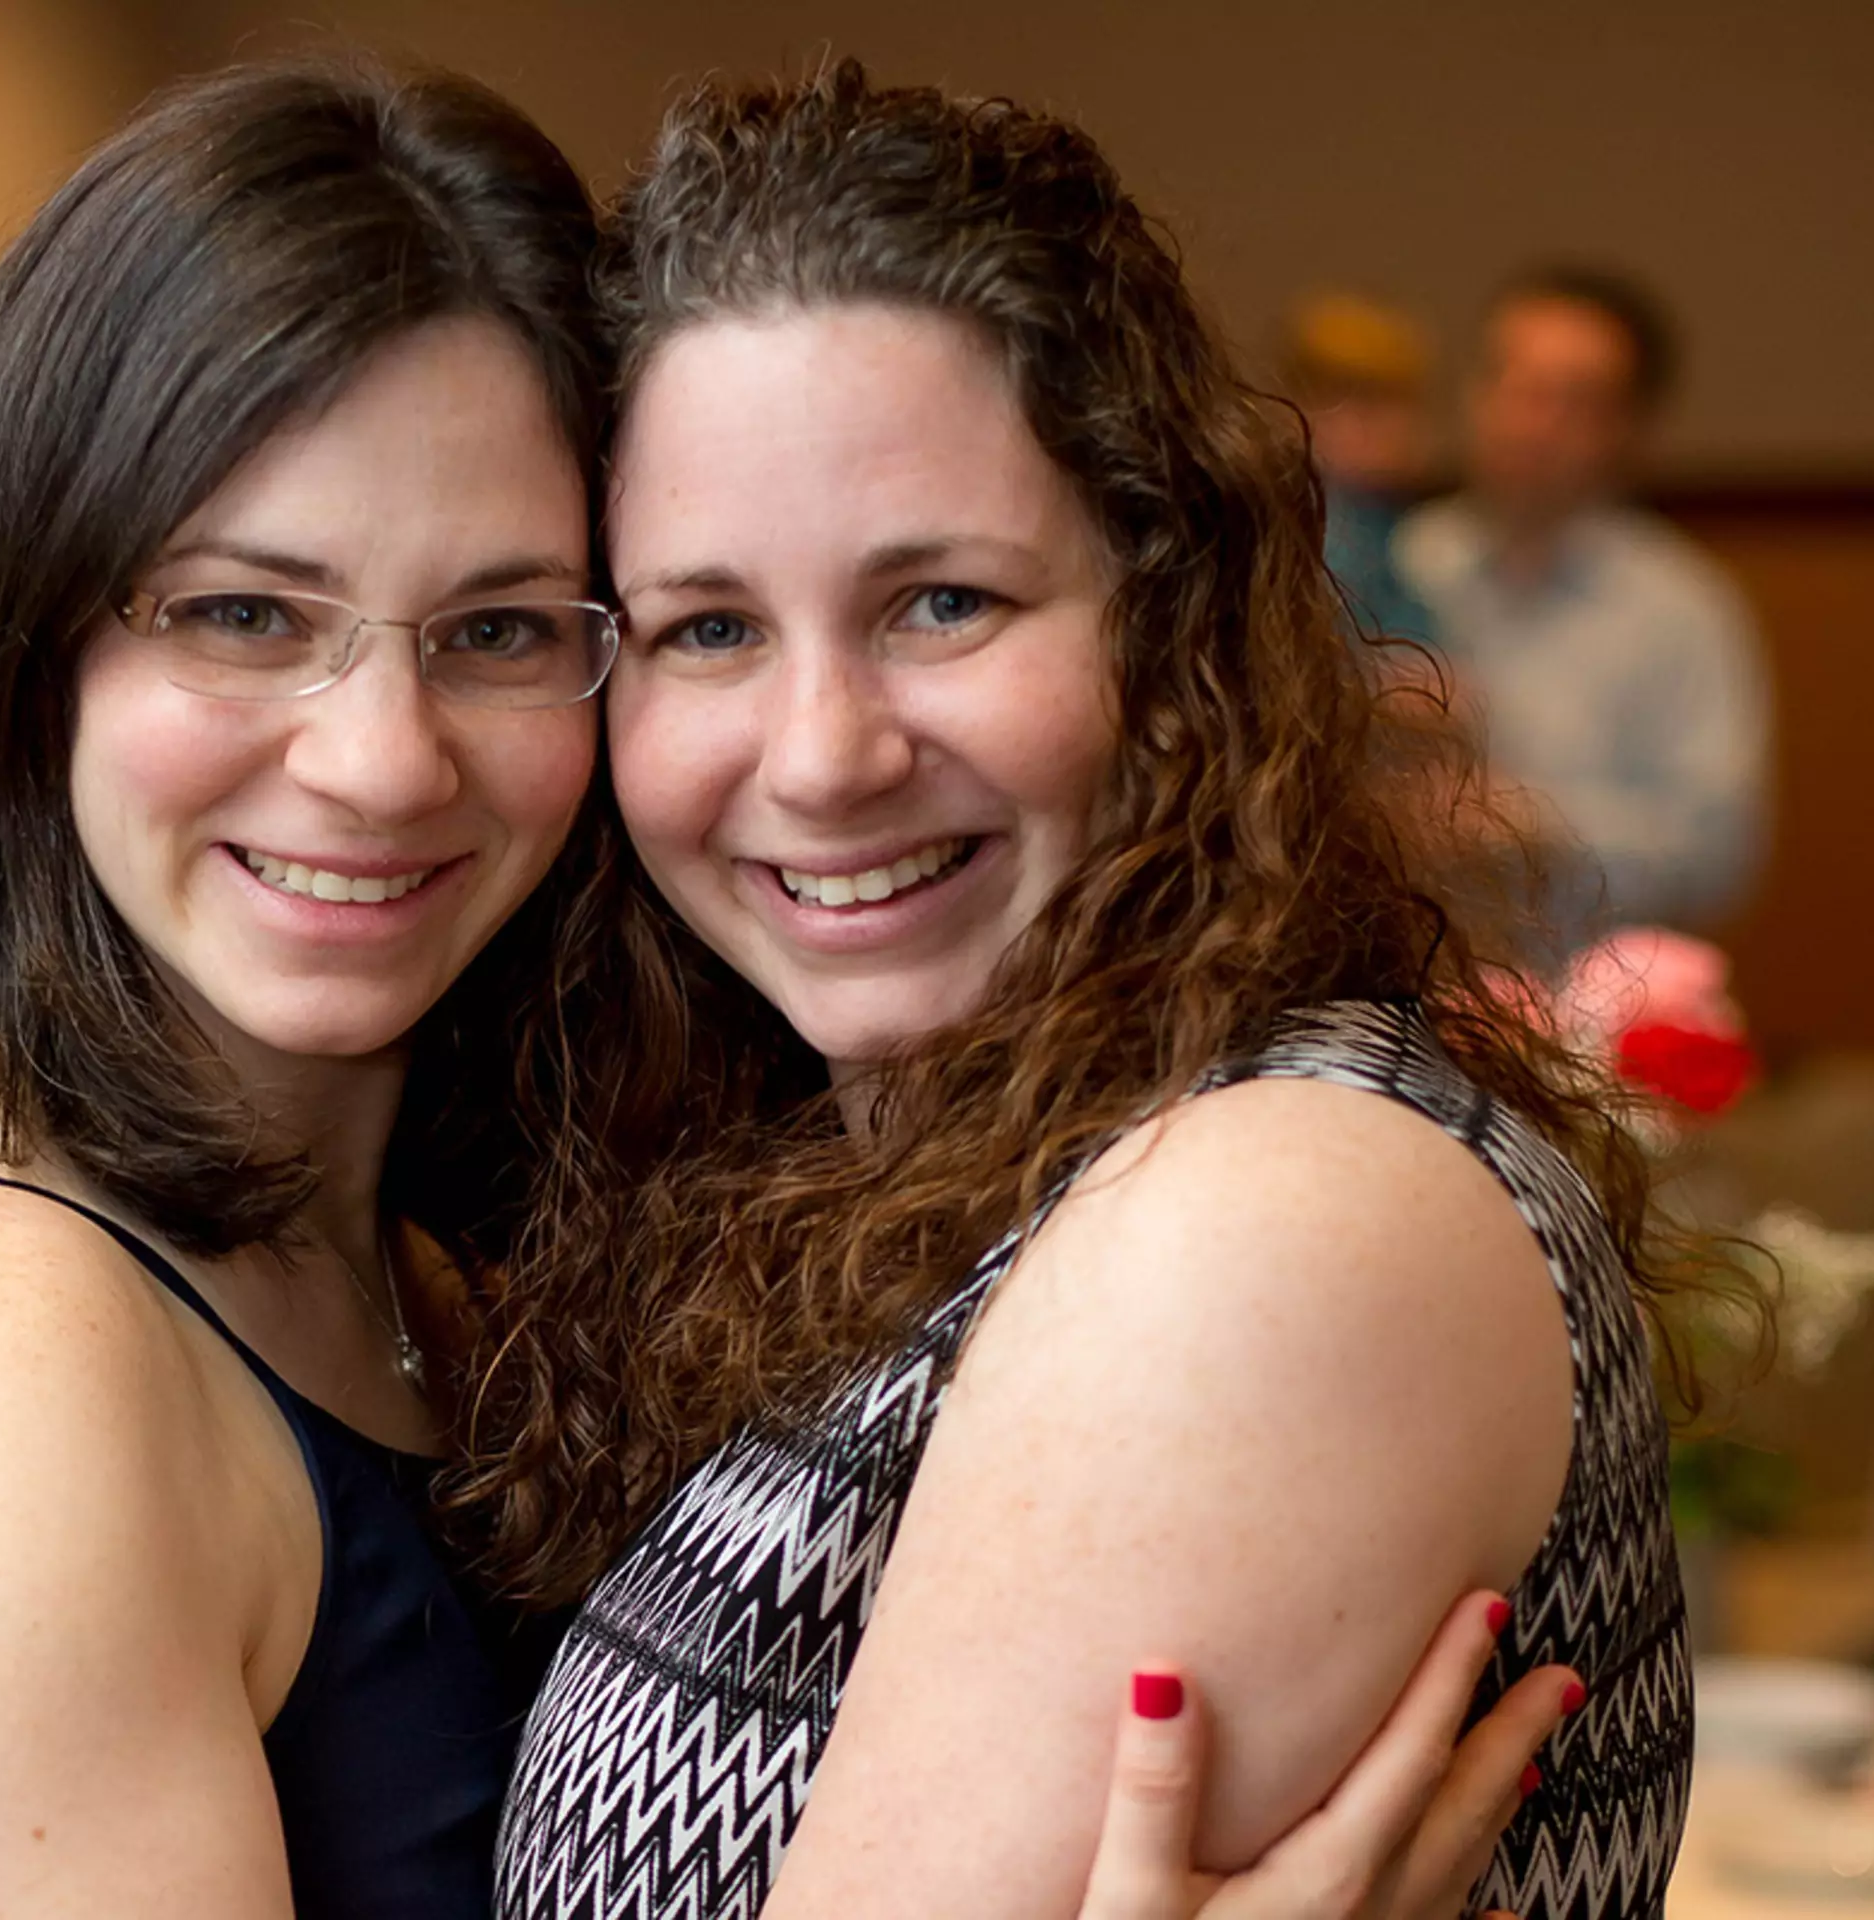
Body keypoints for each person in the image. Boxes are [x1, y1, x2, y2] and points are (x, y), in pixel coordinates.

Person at [0, 57, 1571, 1920]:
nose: (381, 762)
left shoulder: (439, 1263)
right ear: (22, 645)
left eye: (504, 630)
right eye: (243, 613)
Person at [469, 67, 1691, 1920]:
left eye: (940, 603)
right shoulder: (857, 1168)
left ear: (1166, 615)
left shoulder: (1270, 1221)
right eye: (707, 628)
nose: (823, 753)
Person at [1396, 264, 1771, 955]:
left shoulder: (1682, 607)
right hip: (1398, 982)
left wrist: (1531, 821)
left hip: (1598, 994)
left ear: (1628, 428)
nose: (1530, 420)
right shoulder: (1398, 570)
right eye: (1509, 381)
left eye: (1571, 398)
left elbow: (1719, 860)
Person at [1280, 291, 1441, 652]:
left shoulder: (1394, 528)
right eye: (1363, 402)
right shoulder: (1313, 531)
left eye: (1401, 399)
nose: (1390, 424)